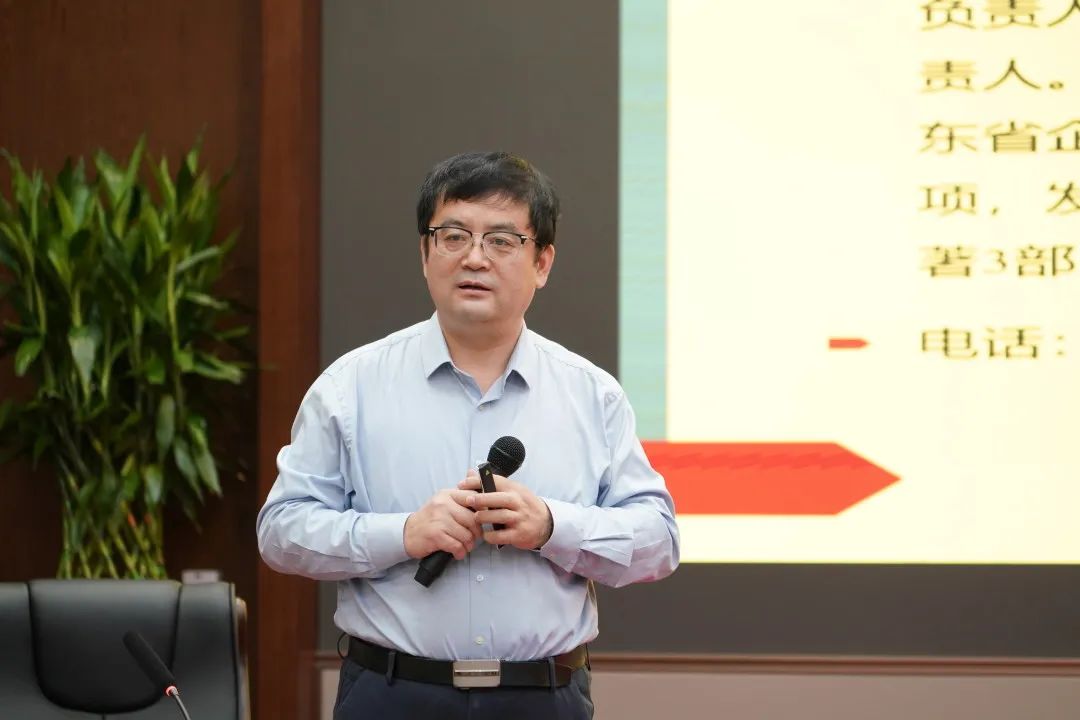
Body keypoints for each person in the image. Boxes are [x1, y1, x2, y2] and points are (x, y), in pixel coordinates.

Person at [256, 151, 680, 719]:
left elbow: (658, 542)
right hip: (391, 693)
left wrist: (551, 526)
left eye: (502, 240)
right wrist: (403, 533)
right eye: (454, 236)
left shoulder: (592, 395)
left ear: (542, 263)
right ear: (425, 253)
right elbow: (281, 533)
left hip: (544, 697)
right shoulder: (350, 387)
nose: (474, 257)